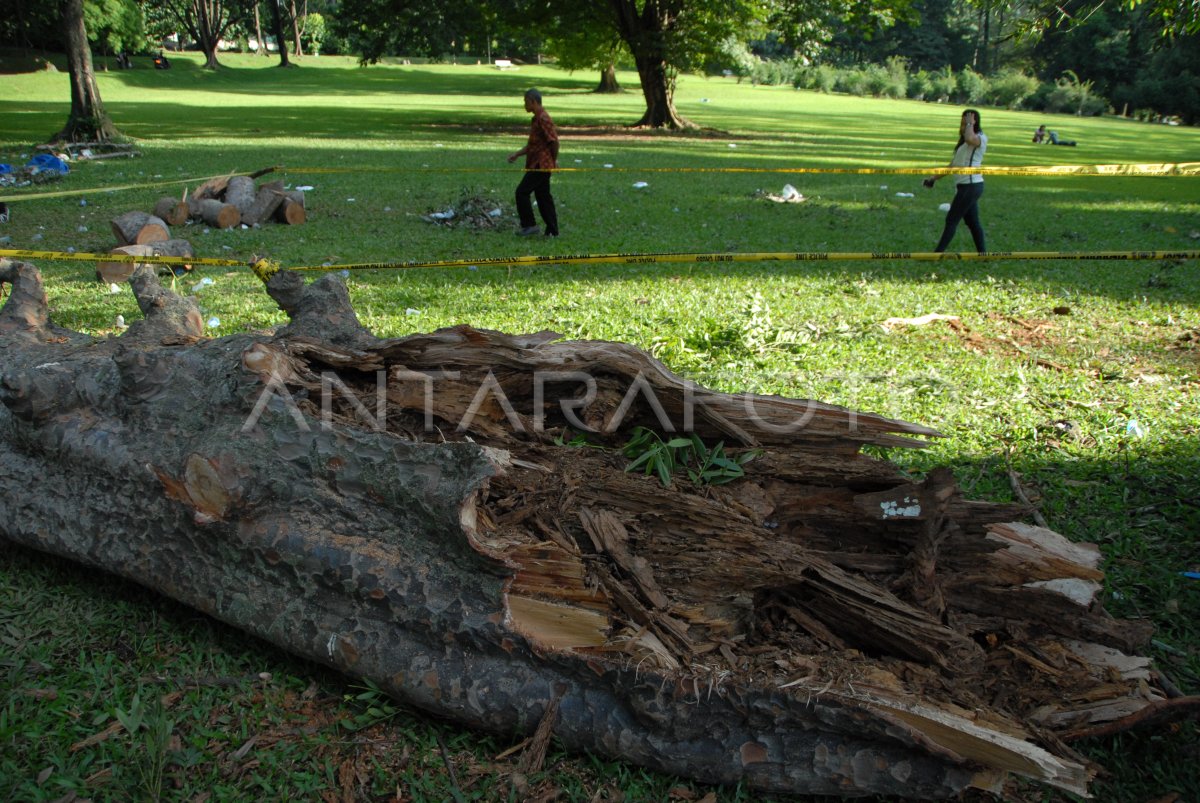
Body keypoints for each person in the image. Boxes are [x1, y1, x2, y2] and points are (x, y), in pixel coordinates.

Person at [923, 108, 986, 254]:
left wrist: (970, 125)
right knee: (973, 223)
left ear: (974, 122)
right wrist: (933, 179)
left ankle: (937, 254)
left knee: (952, 220)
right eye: (963, 122)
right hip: (965, 187)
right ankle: (983, 255)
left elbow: (971, 138)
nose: (963, 126)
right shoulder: (963, 144)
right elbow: (952, 166)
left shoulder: (980, 138)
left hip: (971, 186)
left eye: (967, 122)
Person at [507, 88, 559, 237]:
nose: (524, 105)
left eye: (526, 102)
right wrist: (517, 154)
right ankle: (552, 231)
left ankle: (529, 225)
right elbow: (533, 145)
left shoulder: (543, 118)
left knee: (522, 192)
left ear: (533, 102)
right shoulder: (536, 119)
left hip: (541, 165)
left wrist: (553, 161)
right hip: (536, 162)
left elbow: (554, 142)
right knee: (543, 197)